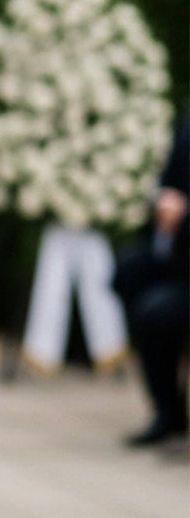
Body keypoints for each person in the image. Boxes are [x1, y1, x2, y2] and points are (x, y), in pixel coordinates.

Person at [112, 114, 189, 446]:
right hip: (179, 253)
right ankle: (168, 408)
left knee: (154, 312)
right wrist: (163, 200)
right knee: (128, 271)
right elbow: (169, 179)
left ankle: (169, 412)